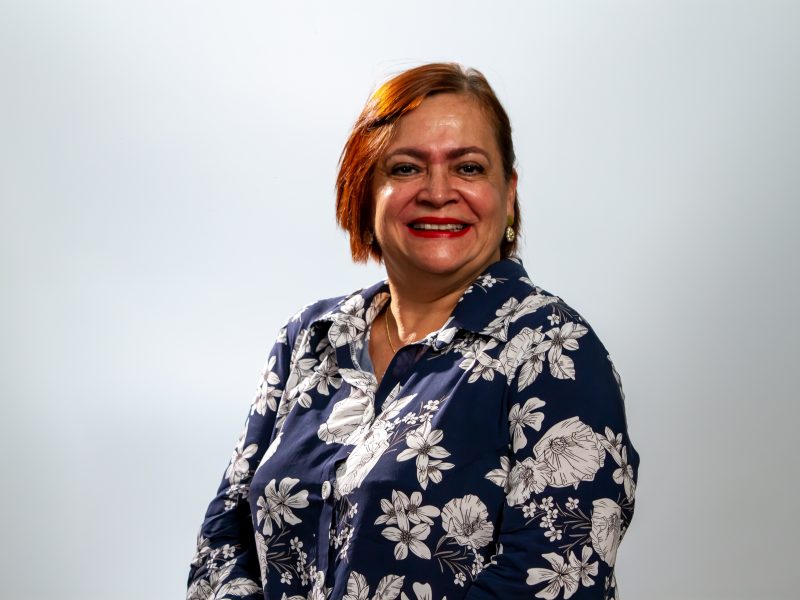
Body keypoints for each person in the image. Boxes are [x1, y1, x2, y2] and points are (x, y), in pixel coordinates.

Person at [187, 63, 639, 600]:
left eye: (468, 167)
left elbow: (555, 576)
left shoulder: (556, 352)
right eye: (405, 168)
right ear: (364, 190)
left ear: (509, 193)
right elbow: (224, 539)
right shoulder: (309, 339)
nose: (438, 192)